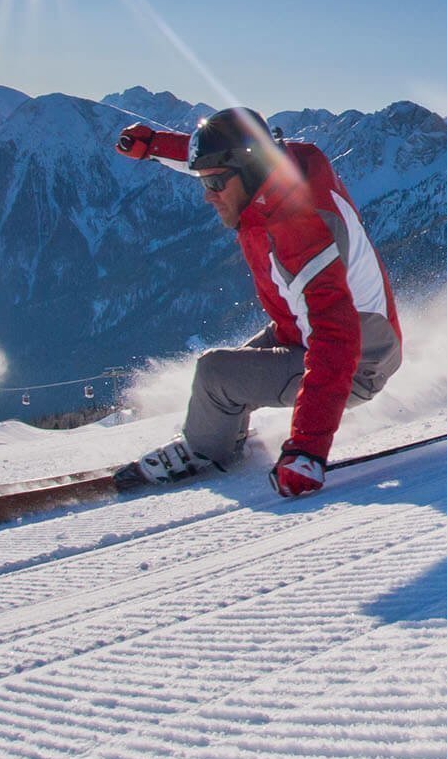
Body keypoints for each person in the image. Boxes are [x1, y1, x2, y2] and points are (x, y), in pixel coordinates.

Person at [115, 107, 404, 497]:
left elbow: (335, 340)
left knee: (216, 375)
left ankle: (206, 451)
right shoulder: (285, 165)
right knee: (224, 377)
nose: (206, 195)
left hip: (356, 361)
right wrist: (154, 147)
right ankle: (218, 435)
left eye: (215, 185)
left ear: (250, 174)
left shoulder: (299, 230)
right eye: (204, 181)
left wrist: (307, 451)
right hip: (315, 330)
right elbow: (223, 157)